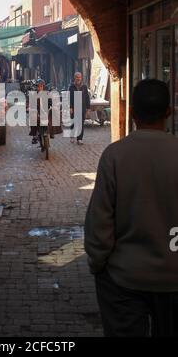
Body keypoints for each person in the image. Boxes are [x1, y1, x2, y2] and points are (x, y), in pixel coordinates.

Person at [84, 79, 178, 337]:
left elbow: (99, 223)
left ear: (133, 113)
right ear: (169, 111)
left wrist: (98, 263)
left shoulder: (115, 155)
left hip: (124, 277)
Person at [29, 78, 54, 145]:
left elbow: (51, 102)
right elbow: (30, 104)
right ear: (36, 87)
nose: (39, 88)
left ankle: (52, 132)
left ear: (43, 87)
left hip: (46, 112)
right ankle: (34, 135)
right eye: (38, 86)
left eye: (41, 86)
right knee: (33, 118)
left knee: (53, 116)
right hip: (37, 112)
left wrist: (54, 106)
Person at [68, 72, 90, 144]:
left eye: (79, 77)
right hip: (74, 108)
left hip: (82, 108)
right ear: (74, 78)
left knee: (80, 124)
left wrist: (88, 108)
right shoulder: (71, 87)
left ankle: (79, 139)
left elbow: (87, 98)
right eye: (77, 77)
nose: (78, 78)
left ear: (81, 78)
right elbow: (69, 98)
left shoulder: (84, 87)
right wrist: (70, 107)